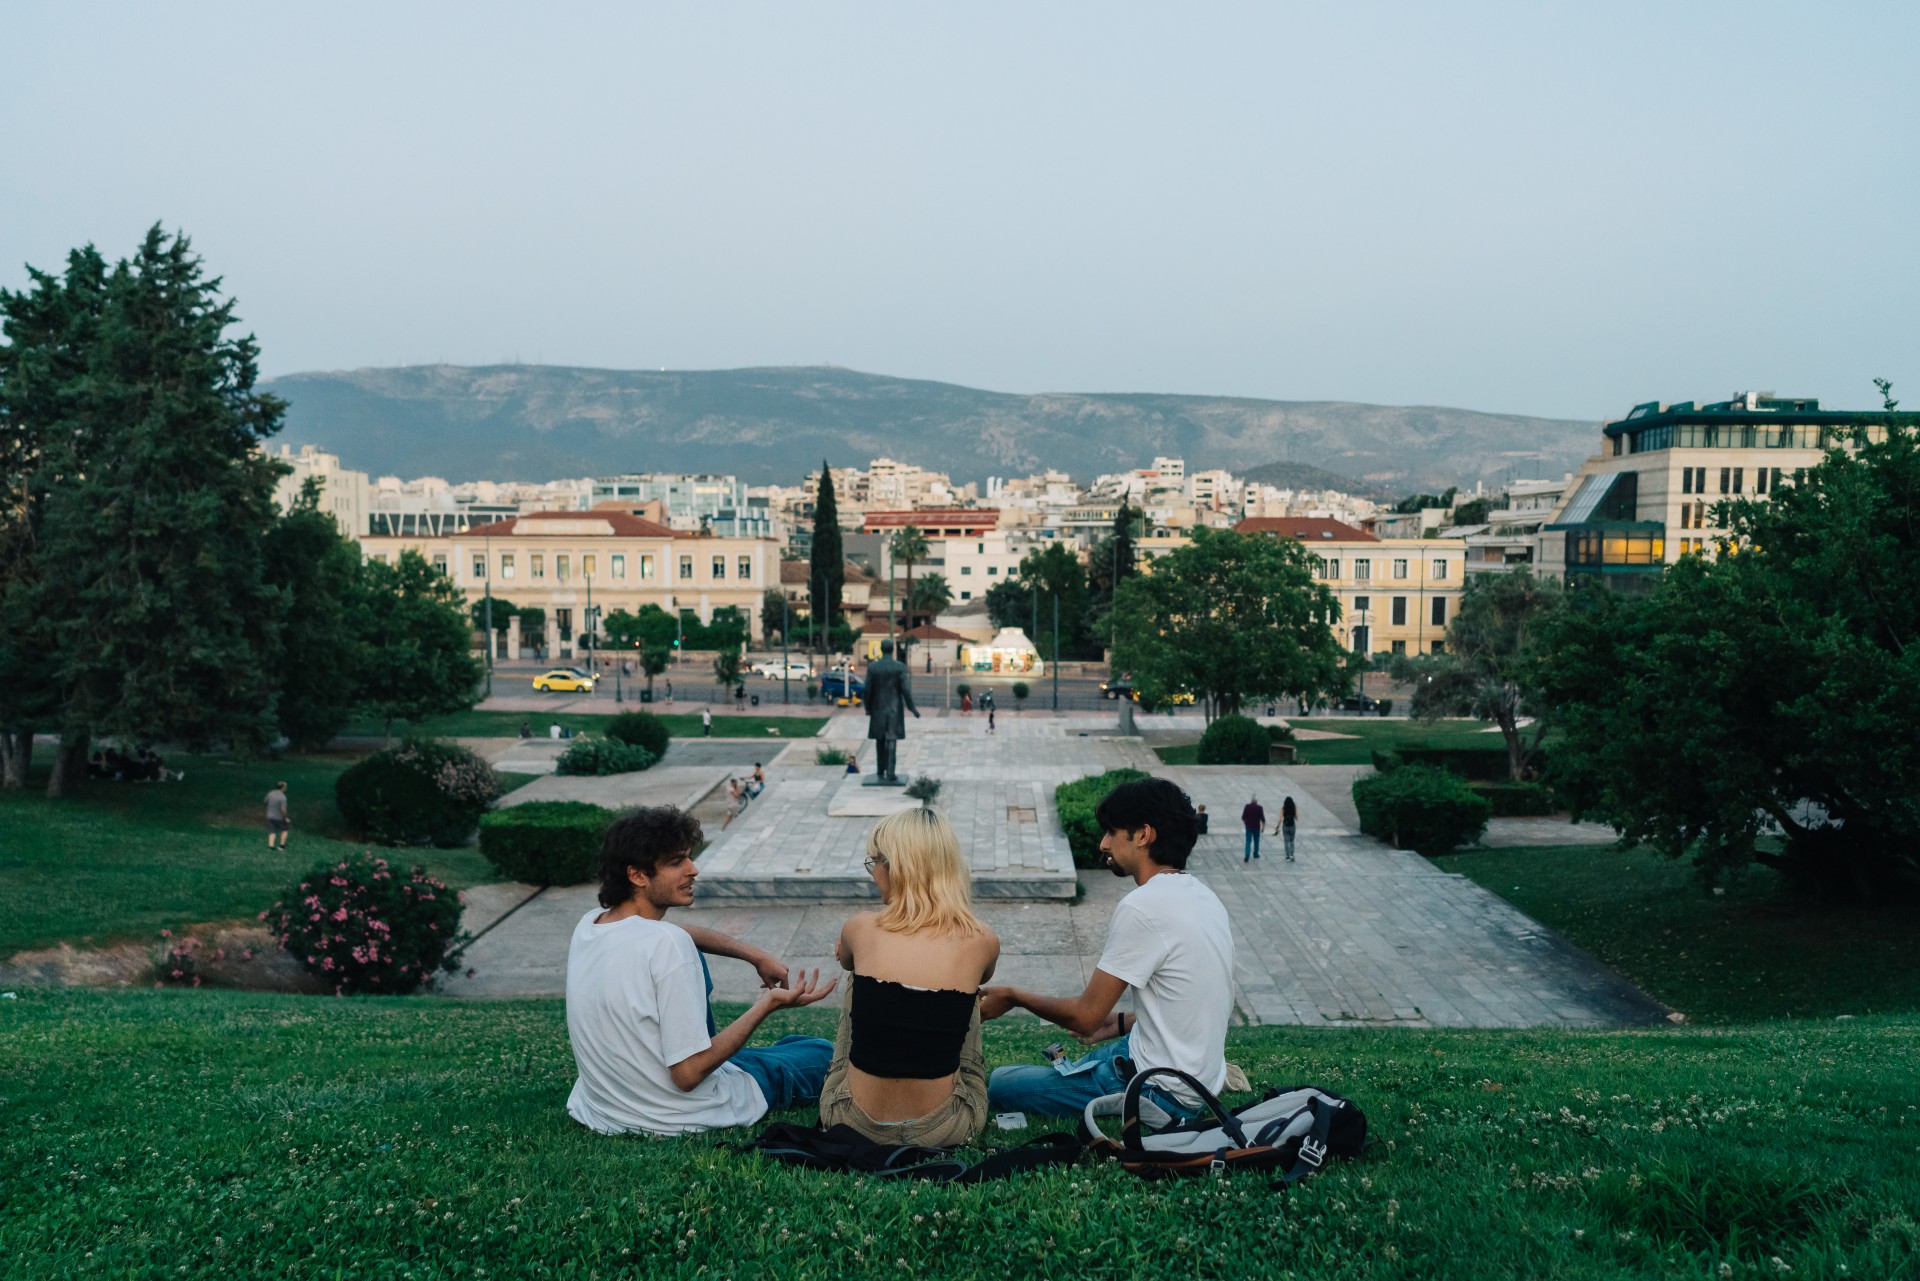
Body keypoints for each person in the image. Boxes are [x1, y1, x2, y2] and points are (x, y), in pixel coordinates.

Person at [565, 806, 836, 1136]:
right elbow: (688, 1075)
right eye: (676, 862)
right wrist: (768, 1004)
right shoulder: (668, 945)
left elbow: (677, 933)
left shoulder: (592, 924)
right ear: (638, 875)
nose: (693, 869)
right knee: (821, 1052)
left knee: (793, 1044)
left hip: (607, 1109)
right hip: (682, 1112)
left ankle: (775, 1054)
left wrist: (753, 955)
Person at [980, 778, 1232, 1117]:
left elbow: (1085, 1018)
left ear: (1142, 835)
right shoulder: (1204, 897)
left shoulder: (1144, 906)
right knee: (1073, 1066)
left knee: (1002, 1084)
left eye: (1112, 832)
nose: (1103, 844)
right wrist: (1121, 1022)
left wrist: (1013, 997)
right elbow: (1192, 1004)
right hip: (1198, 1081)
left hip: (1161, 1091)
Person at [822, 808, 1000, 1145]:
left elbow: (845, 960)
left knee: (858, 978)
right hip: (945, 1130)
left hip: (848, 1121)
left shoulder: (859, 927)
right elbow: (985, 974)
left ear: (896, 867)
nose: (872, 874)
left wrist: (858, 949)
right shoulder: (982, 940)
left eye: (874, 862)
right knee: (968, 991)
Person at [265, 781, 291, 850]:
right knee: (285, 829)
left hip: (269, 816)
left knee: (272, 831)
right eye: (285, 787)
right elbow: (283, 809)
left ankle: (271, 846)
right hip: (279, 817)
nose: (286, 788)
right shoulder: (282, 797)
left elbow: (266, 802)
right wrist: (286, 818)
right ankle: (282, 845)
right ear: (282, 788)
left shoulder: (270, 793)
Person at [1241, 795, 1265, 863]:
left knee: (1248, 841)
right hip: (1256, 826)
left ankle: (1247, 855)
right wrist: (1263, 827)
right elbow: (1263, 819)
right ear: (1256, 801)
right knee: (1256, 841)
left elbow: (1243, 817)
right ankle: (1255, 854)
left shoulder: (1247, 806)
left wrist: (1245, 823)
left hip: (1249, 826)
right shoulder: (1259, 808)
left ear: (1251, 800)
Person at [1278, 796, 1299, 863]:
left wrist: (1278, 826)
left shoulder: (1283, 808)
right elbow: (1297, 818)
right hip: (1292, 826)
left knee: (1286, 841)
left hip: (1285, 826)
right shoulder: (1294, 807)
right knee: (1292, 841)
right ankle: (1292, 855)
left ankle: (1287, 856)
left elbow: (1280, 818)